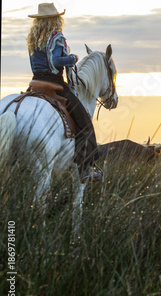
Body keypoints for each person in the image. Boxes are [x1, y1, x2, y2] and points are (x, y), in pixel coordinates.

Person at [26, 3, 101, 182]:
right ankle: (85, 169)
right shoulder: (56, 36)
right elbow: (56, 60)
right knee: (84, 122)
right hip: (54, 83)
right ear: (55, 19)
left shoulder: (33, 38)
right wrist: (72, 58)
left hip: (36, 83)